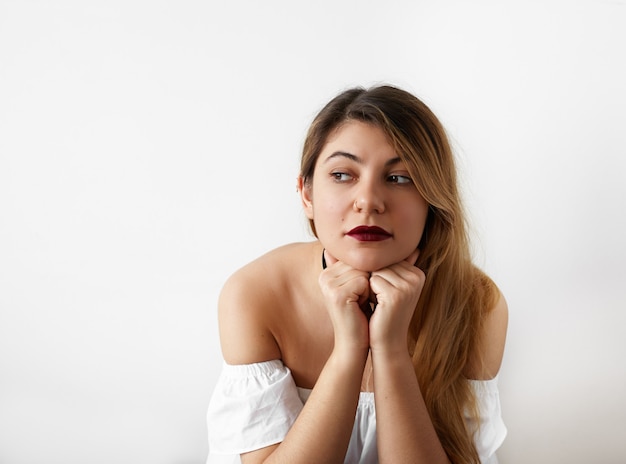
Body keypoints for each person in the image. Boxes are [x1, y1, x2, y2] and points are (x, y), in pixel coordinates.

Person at [206, 85, 508, 464]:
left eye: (399, 178)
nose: (369, 201)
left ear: (433, 200)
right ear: (307, 195)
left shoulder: (476, 302)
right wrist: (349, 351)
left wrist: (391, 351)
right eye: (343, 174)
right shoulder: (255, 293)